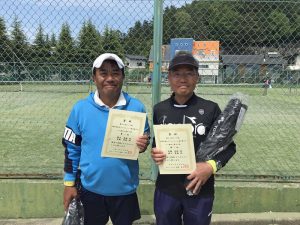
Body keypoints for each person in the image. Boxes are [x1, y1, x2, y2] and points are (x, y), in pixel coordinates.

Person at [62, 53, 150, 225]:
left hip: (125, 190)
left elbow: (145, 140)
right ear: (94, 77)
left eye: (115, 73)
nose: (110, 78)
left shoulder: (137, 107)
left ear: (123, 77)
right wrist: (69, 184)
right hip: (90, 190)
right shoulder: (80, 109)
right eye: (103, 73)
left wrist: (143, 144)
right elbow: (71, 149)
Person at [151, 52, 236, 225]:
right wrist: (155, 154)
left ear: (197, 77)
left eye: (189, 73)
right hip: (167, 189)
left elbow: (229, 147)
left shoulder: (211, 109)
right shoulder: (160, 110)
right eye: (177, 74)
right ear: (169, 78)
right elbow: (156, 144)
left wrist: (209, 167)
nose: (183, 79)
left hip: (200, 190)